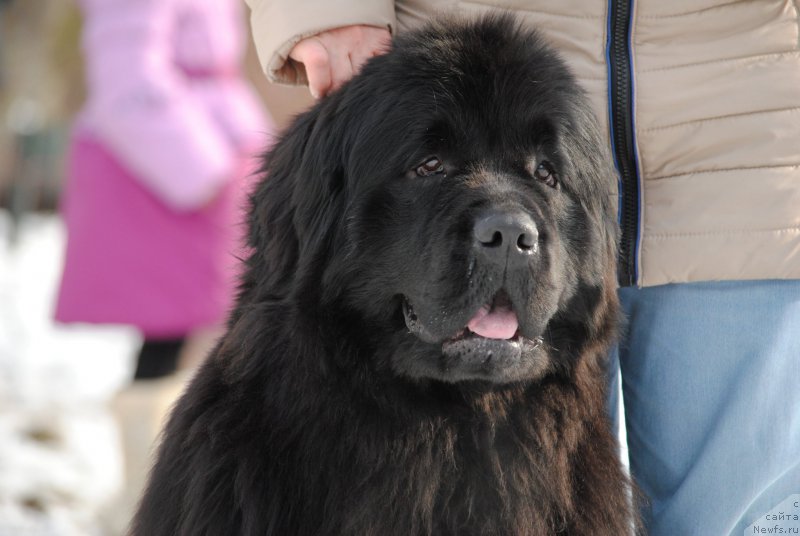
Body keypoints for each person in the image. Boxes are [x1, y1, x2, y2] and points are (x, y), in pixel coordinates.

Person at [243, 1, 800, 534]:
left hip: (747, 135)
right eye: (434, 165)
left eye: (542, 173)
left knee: (739, 513)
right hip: (441, 54)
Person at [54, 0, 271, 530]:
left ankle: (166, 491)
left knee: (204, 335)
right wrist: (204, 168)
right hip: (163, 180)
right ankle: (145, 497)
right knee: (170, 339)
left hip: (202, 171)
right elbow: (126, 78)